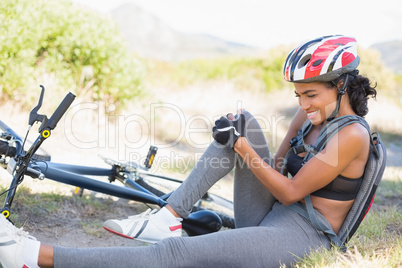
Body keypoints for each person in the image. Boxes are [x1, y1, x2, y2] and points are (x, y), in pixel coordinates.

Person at [0, 35, 377, 268]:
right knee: (242, 119)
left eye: (311, 94)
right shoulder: (310, 114)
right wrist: (236, 135)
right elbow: (276, 166)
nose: (303, 103)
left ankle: (34, 257)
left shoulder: (352, 137)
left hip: (302, 236)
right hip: (272, 215)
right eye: (298, 94)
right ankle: (171, 214)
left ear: (342, 86)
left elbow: (290, 190)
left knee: (172, 257)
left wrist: (241, 146)